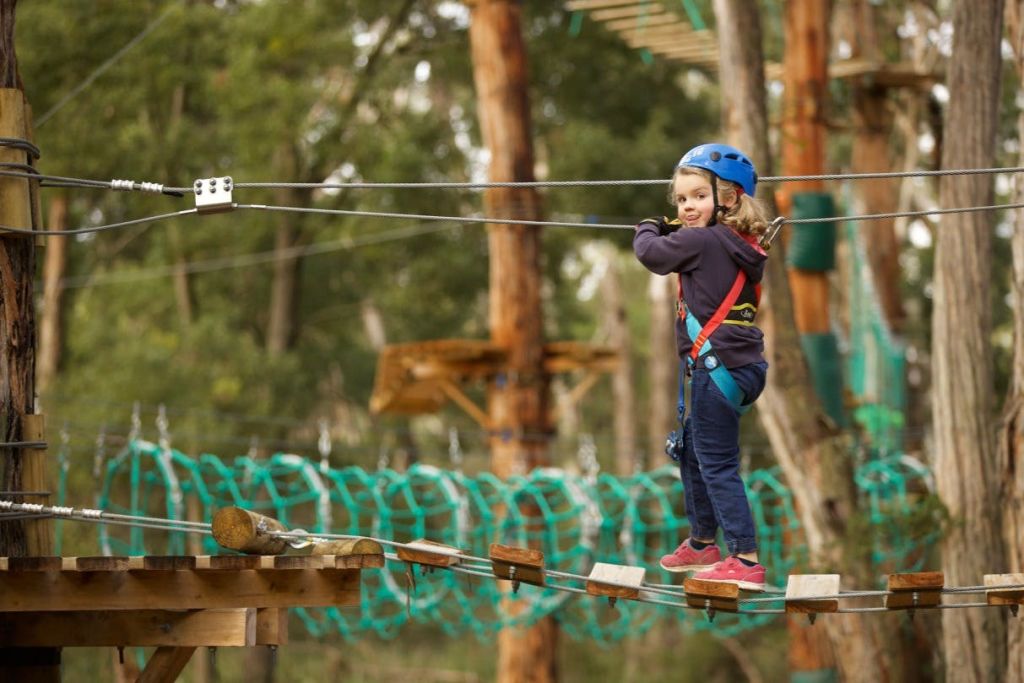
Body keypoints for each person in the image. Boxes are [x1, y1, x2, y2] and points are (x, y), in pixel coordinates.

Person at [633, 142, 771, 591]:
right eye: (680, 200)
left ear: (728, 199)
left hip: (719, 367)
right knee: (695, 451)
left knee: (715, 462)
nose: (687, 207)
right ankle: (702, 542)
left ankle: (745, 557)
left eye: (698, 196)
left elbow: (652, 253)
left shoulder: (702, 240)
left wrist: (649, 225)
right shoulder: (740, 243)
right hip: (739, 367)